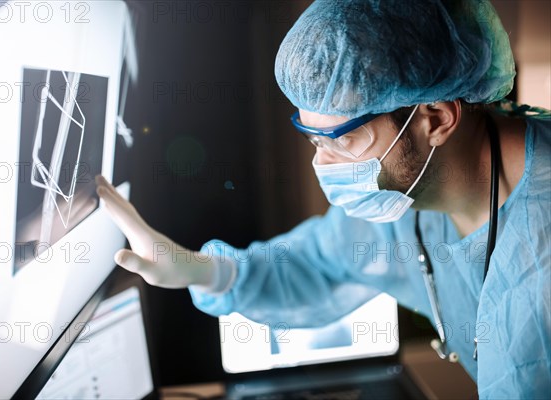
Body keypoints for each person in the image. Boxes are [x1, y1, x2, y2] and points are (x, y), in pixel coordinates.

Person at [95, 0, 550, 397]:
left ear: (434, 118)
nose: (324, 165)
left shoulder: (540, 258)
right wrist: (204, 270)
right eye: (314, 139)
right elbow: (317, 260)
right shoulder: (409, 199)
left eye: (343, 139)